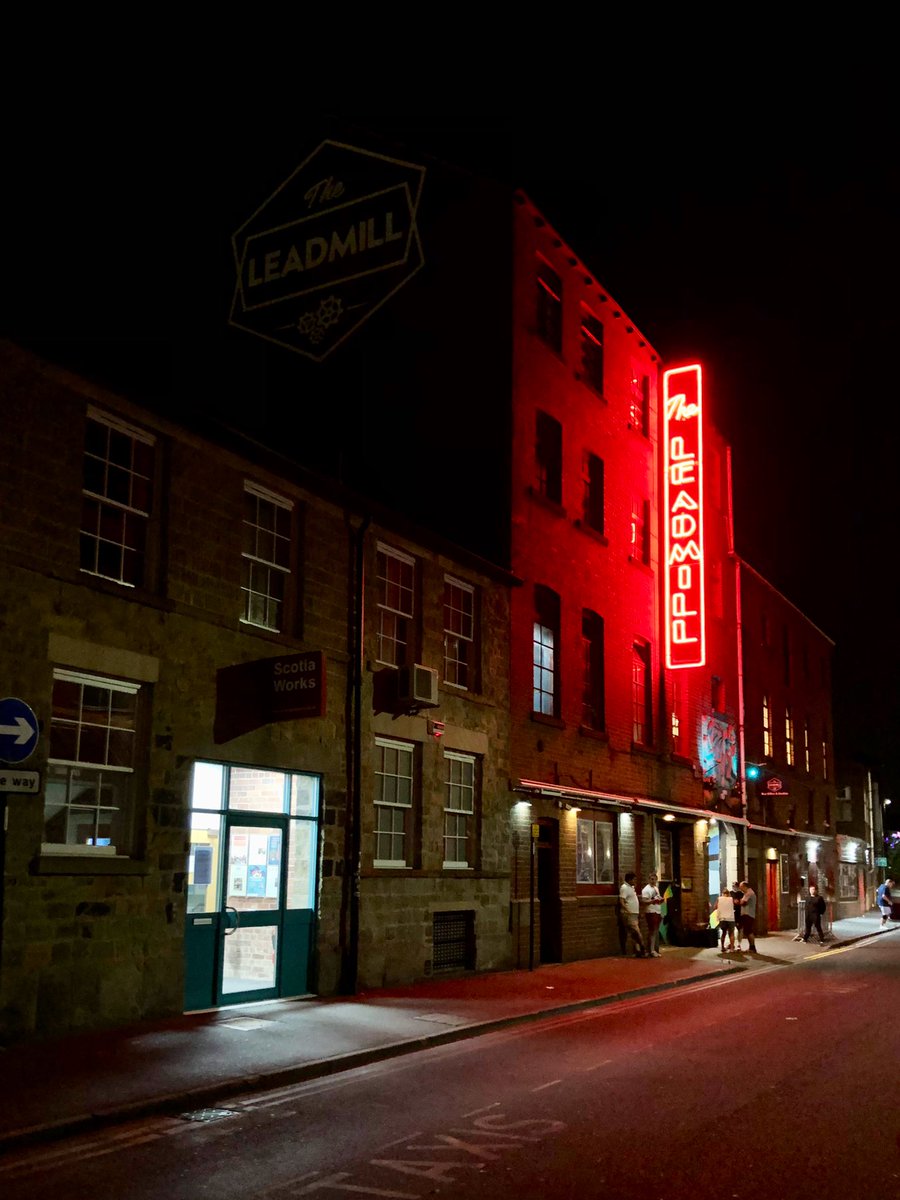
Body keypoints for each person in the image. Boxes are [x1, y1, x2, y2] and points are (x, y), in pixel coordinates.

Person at [619, 872, 647, 957]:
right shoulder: (624, 888)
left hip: (634, 913)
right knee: (636, 931)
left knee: (633, 933)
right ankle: (643, 948)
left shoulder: (631, 888)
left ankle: (637, 951)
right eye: (634, 879)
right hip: (629, 914)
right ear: (629, 879)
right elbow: (622, 901)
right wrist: (627, 910)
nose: (635, 881)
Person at [641, 873, 663, 957]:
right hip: (651, 911)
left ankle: (653, 949)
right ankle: (651, 950)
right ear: (649, 879)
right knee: (652, 930)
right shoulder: (646, 890)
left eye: (655, 879)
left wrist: (660, 900)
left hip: (657, 910)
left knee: (655, 931)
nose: (653, 881)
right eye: (652, 879)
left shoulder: (656, 888)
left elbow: (658, 897)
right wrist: (652, 901)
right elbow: (644, 901)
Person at [739, 880, 757, 952]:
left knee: (749, 931)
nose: (740, 889)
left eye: (741, 887)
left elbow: (742, 902)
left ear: (744, 886)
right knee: (747, 931)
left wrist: (740, 901)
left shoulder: (749, 893)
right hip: (748, 914)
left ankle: (752, 947)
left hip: (748, 914)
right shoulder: (747, 893)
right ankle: (751, 947)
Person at [716, 887, 736, 953]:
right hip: (730, 918)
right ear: (728, 894)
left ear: (722, 893)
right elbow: (735, 905)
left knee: (724, 933)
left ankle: (722, 947)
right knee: (731, 934)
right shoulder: (731, 899)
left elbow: (715, 907)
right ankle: (732, 948)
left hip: (722, 918)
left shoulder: (719, 899)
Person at [730, 881, 745, 949]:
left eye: (735, 885)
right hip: (731, 913)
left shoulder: (741, 894)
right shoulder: (730, 893)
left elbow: (743, 902)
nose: (733, 887)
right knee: (731, 929)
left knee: (740, 928)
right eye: (733, 885)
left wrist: (739, 902)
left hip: (739, 913)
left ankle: (739, 943)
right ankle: (731, 943)